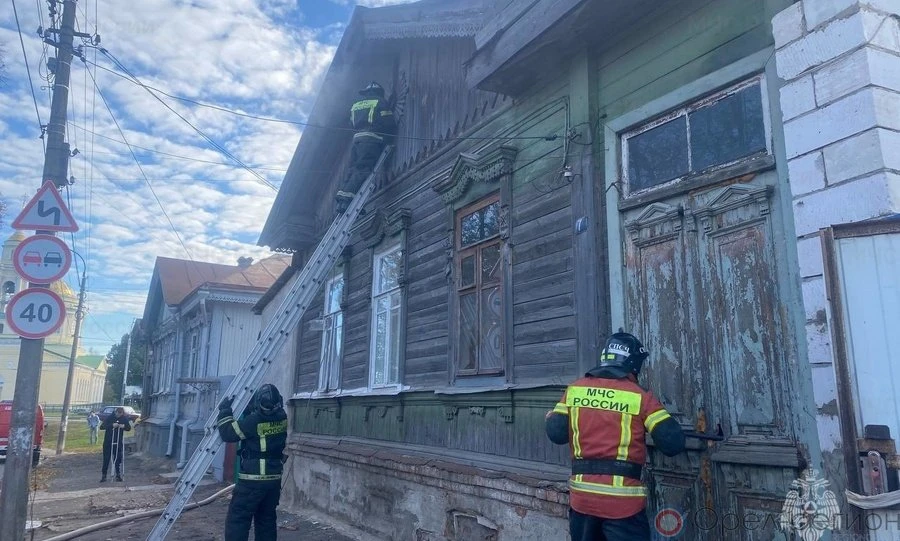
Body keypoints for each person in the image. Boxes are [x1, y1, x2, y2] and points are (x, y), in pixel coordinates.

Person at [545, 332, 686, 541]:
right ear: (634, 364)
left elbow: (556, 434)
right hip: (623, 506)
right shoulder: (640, 397)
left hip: (582, 502)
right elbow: (673, 444)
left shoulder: (575, 390)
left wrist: (551, 417)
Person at [217, 384, 288, 541]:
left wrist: (225, 411)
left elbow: (228, 433)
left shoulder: (253, 421)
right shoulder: (283, 418)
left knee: (238, 519)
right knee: (266, 521)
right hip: (273, 481)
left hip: (252, 481)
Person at [334, 81, 397, 214]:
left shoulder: (356, 105)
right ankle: (350, 197)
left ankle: (343, 199)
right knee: (363, 168)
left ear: (366, 93)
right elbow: (389, 122)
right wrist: (389, 137)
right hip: (371, 139)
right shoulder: (379, 102)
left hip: (357, 139)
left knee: (353, 168)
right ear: (379, 92)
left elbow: (351, 123)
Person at [100, 407, 131, 482]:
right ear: (115, 412)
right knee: (106, 458)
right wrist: (112, 425)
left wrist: (124, 426)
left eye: (120, 414)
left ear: (122, 413)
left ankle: (118, 475)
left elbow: (128, 428)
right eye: (117, 413)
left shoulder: (124, 418)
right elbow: (102, 427)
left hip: (118, 441)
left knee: (118, 458)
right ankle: (104, 475)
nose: (118, 415)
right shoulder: (110, 417)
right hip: (108, 441)